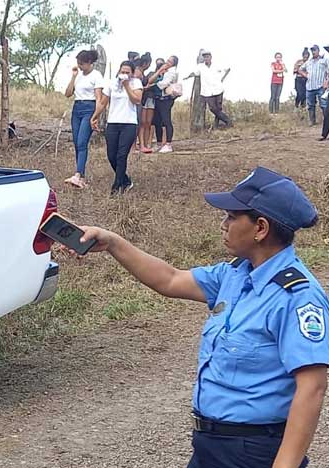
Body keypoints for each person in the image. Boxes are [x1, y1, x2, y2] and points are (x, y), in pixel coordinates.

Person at [74, 167, 327, 468]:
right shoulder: (234, 274)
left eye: (232, 217)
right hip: (210, 447)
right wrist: (114, 243)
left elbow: (311, 388)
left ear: (260, 228)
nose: (223, 224)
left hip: (255, 452)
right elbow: (169, 279)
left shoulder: (297, 296)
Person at [91, 60, 142, 195]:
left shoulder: (136, 83)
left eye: (127, 72)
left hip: (129, 123)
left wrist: (126, 86)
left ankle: (117, 185)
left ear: (132, 73)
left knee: (121, 155)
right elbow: (103, 102)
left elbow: (136, 100)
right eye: (122, 72)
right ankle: (125, 180)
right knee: (111, 155)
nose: (124, 74)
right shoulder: (111, 84)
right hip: (113, 123)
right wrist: (95, 116)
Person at [64, 49, 104, 188]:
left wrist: (95, 116)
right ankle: (81, 175)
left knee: (82, 142)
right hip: (77, 108)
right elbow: (68, 94)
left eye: (82, 64)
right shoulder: (79, 75)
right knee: (76, 142)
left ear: (89, 62)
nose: (79, 66)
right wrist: (74, 76)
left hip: (89, 107)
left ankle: (78, 174)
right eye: (78, 63)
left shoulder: (96, 75)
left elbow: (99, 98)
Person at [191, 50, 233, 129]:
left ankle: (217, 126)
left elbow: (227, 69)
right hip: (207, 91)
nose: (206, 59)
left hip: (218, 89)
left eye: (207, 57)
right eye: (205, 57)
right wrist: (188, 76)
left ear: (211, 57)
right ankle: (228, 120)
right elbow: (195, 73)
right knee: (213, 108)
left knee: (218, 109)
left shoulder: (217, 65)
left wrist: (221, 79)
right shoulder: (200, 66)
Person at [150, 55, 179, 153]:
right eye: (167, 60)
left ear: (174, 64)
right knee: (157, 121)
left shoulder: (172, 72)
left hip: (166, 99)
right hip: (159, 98)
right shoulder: (165, 71)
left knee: (166, 120)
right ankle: (159, 143)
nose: (167, 63)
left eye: (170, 62)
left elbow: (163, 84)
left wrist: (150, 87)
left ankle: (168, 144)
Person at [299, 45, 329, 126]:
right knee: (310, 105)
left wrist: (326, 81)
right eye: (312, 50)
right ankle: (312, 121)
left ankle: (325, 122)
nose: (313, 52)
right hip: (310, 86)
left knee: (323, 104)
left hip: (320, 86)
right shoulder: (309, 62)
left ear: (318, 50)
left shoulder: (324, 61)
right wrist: (306, 75)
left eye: (315, 50)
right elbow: (300, 69)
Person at [137, 55, 156, 153]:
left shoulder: (142, 73)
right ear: (146, 63)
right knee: (141, 123)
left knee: (147, 123)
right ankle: (140, 145)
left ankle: (144, 144)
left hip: (144, 98)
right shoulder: (138, 72)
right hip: (140, 99)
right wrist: (146, 87)